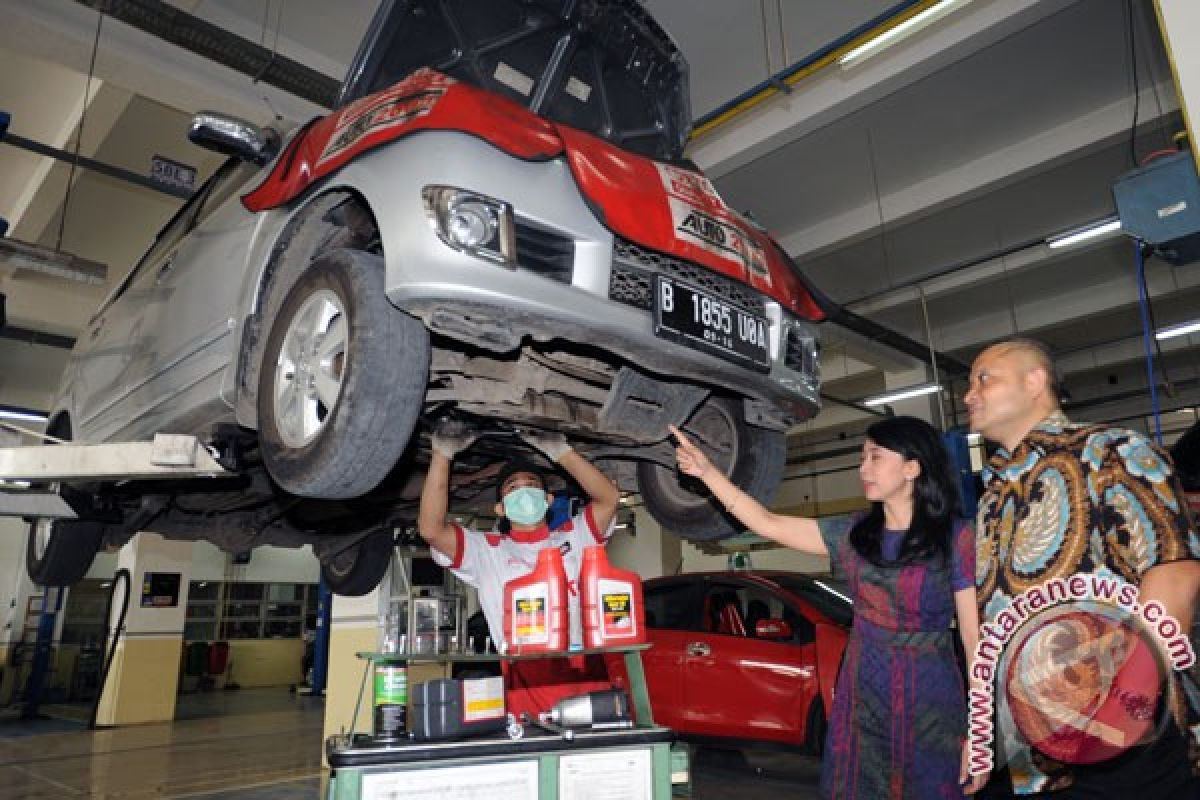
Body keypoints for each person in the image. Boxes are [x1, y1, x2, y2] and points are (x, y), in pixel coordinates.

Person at [671, 415, 985, 799]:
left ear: (912, 467)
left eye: (875, 456)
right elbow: (768, 524)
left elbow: (973, 638)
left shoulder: (956, 537)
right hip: (862, 702)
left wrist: (980, 733)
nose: (863, 468)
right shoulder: (852, 536)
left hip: (933, 706)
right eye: (862, 457)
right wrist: (708, 473)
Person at [965, 338, 1200, 798]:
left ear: (1035, 382)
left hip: (1119, 744)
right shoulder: (993, 494)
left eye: (983, 378)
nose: (969, 393)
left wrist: (1121, 705)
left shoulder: (1109, 451)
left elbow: (1175, 572)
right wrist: (984, 730)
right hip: (1028, 747)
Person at [418, 420, 621, 718]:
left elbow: (609, 499)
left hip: (585, 669)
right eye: (513, 488)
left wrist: (561, 451)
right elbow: (431, 529)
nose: (524, 492)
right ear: (500, 508)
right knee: (535, 750)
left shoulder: (574, 536)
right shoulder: (486, 551)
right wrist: (442, 456)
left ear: (548, 500)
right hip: (525, 679)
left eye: (532, 486)